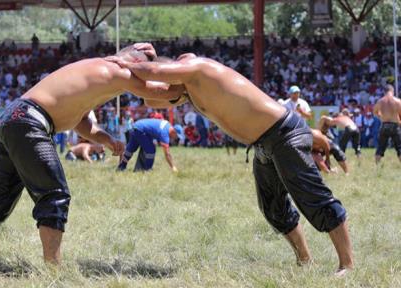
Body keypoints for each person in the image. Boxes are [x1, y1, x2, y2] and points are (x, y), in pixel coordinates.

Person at [114, 52, 354, 274]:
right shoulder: (190, 91)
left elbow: (154, 74)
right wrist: (127, 79)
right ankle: (305, 260)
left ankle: (347, 265)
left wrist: (123, 63)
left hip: (284, 133)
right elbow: (153, 100)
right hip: (263, 143)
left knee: (313, 198)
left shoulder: (197, 66)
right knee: (273, 208)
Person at [0, 43, 184, 265]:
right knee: (54, 195)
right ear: (135, 63)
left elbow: (80, 122)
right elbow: (155, 92)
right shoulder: (117, 70)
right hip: (29, 121)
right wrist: (190, 85)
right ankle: (53, 272)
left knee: (0, 196)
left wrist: (107, 140)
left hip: (12, 117)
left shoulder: (95, 73)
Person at [373, 84, 401, 164]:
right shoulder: (398, 101)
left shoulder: (380, 101)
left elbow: (374, 112)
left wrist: (381, 116)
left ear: (384, 92)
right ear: (392, 91)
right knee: (399, 147)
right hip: (395, 125)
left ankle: (377, 166)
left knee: (380, 147)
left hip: (384, 124)